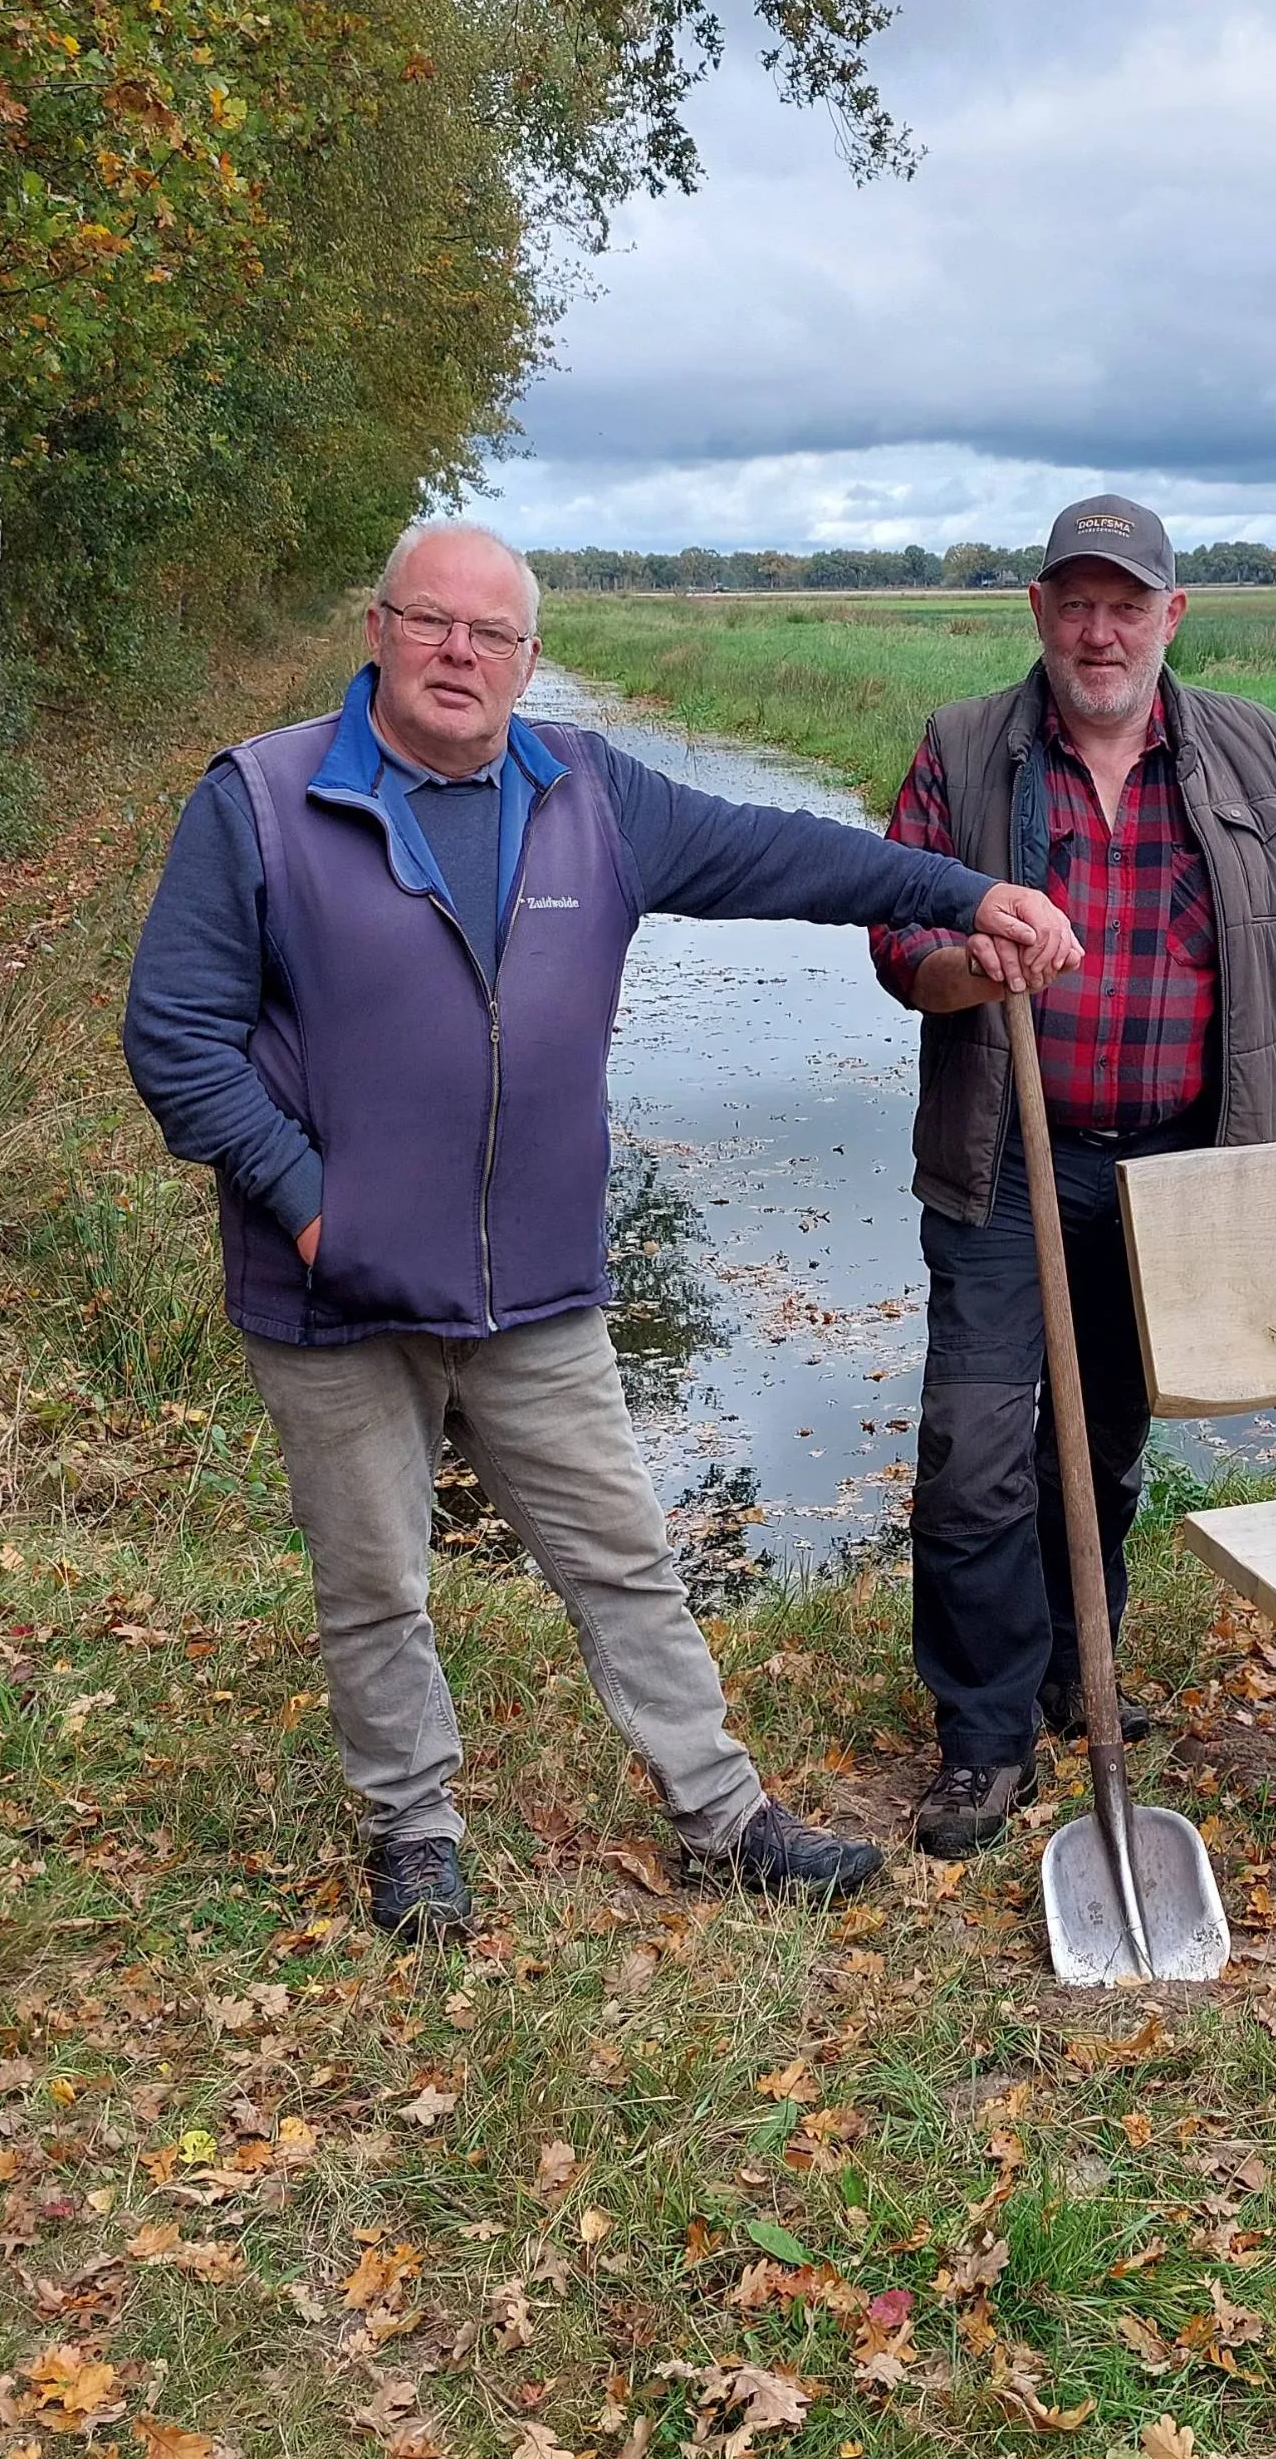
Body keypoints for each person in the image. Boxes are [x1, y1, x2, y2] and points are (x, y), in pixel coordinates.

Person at [123, 521, 1082, 1937]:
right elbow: (176, 1036)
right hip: (331, 1298)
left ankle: (724, 1816)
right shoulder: (263, 801)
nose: (462, 654)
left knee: (624, 1556)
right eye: (433, 623)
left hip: (536, 1288)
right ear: (378, 630)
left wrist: (963, 893)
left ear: (529, 659)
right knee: (376, 1577)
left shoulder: (588, 793)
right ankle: (413, 1830)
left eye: (493, 634)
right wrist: (313, 1211)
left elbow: (782, 855)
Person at [869, 495, 1276, 1856]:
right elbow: (897, 945)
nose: (1099, 630)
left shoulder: (1246, 753)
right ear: (1039, 614)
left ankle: (1079, 1671)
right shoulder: (961, 754)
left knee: (1102, 1447)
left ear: (1173, 616)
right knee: (976, 1450)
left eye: (1128, 604)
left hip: (1181, 1170)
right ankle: (984, 1741)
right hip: (1011, 1166)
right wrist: (965, 964)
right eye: (1076, 602)